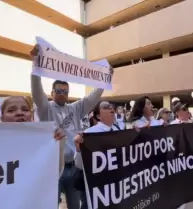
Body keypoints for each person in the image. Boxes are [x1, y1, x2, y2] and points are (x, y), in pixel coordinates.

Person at [30, 44, 112, 209]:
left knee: (75, 205)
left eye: (65, 92)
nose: (62, 94)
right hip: (53, 168)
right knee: (50, 205)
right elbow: (37, 92)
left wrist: (105, 79)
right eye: (58, 91)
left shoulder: (74, 109)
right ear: (52, 93)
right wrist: (35, 67)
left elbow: (92, 97)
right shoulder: (45, 108)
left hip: (73, 167)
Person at [74, 101, 119, 209]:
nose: (110, 107)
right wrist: (79, 149)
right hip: (93, 186)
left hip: (112, 185)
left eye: (111, 106)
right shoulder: (89, 134)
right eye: (105, 107)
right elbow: (79, 165)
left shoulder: (118, 130)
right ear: (98, 115)